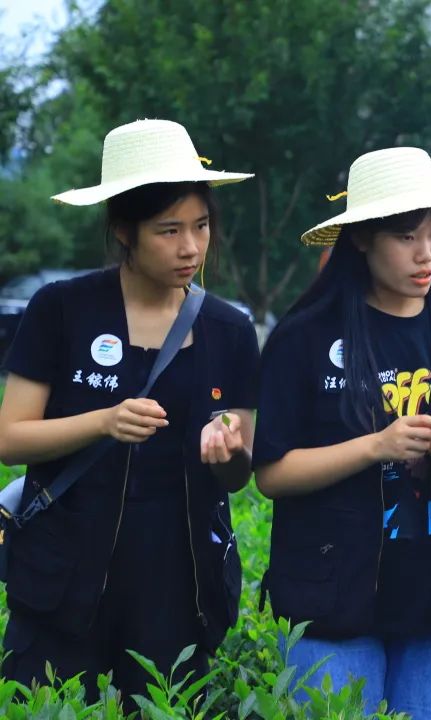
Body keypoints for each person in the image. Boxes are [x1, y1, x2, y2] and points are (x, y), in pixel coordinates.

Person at [0, 119, 259, 704]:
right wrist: (103, 422)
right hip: (62, 584)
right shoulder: (61, 310)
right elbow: (9, 437)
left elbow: (239, 477)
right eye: (168, 230)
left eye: (201, 226)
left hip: (177, 589)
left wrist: (231, 453)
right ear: (124, 230)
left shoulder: (230, 330)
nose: (191, 247)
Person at [252, 147, 431, 720]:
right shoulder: (305, 337)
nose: (426, 254)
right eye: (405, 236)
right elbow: (271, 474)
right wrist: (377, 445)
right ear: (361, 238)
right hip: (331, 597)